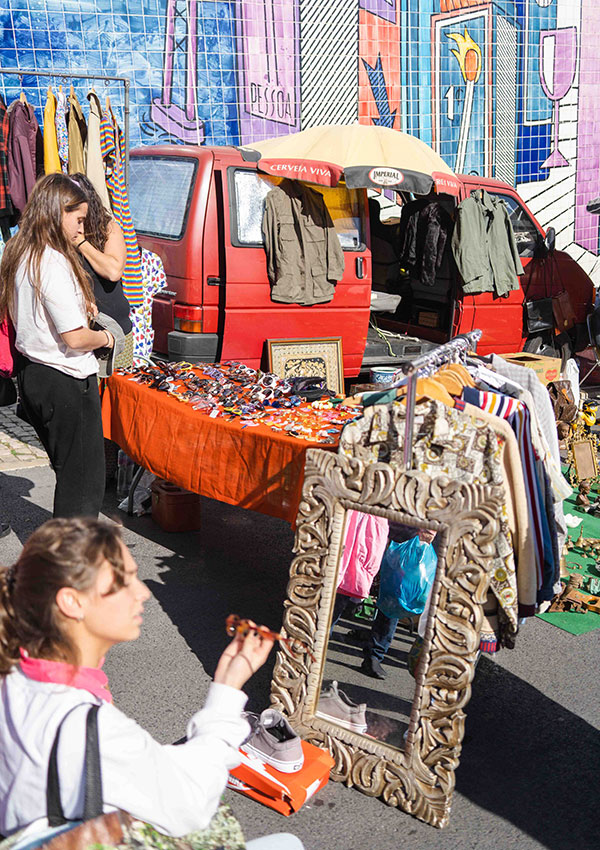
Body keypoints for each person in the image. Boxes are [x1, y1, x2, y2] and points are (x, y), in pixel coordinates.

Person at [0, 518, 304, 850]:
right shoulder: (91, 727)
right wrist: (227, 693)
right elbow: (189, 805)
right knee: (287, 844)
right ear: (72, 602)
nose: (143, 591)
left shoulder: (13, 674)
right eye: (124, 581)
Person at [0, 173, 114, 518]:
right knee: (82, 488)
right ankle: (67, 567)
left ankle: (61, 562)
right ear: (57, 212)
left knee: (71, 477)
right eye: (78, 220)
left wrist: (81, 307)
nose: (81, 229)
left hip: (35, 376)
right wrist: (106, 338)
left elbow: (32, 314)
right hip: (65, 380)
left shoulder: (19, 250)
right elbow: (76, 338)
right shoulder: (50, 260)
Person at [69, 172, 133, 368]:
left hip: (115, 331)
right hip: (79, 335)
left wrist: (80, 242)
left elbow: (114, 271)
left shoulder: (108, 227)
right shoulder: (58, 235)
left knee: (117, 394)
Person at [361, 528, 437, 680]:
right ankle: (374, 653)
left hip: (410, 547)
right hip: (398, 542)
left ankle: (375, 654)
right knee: (392, 600)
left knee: (396, 601)